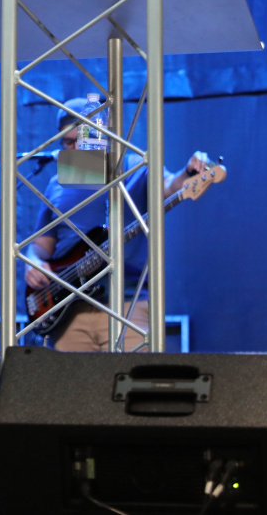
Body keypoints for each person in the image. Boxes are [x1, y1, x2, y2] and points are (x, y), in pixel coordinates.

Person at [22, 98, 209, 352]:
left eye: (81, 140)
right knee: (68, 379)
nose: (74, 148)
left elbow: (170, 187)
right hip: (68, 313)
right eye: (67, 142)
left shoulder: (134, 167)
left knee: (130, 377)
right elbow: (41, 245)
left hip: (127, 306)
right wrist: (32, 261)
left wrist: (188, 174)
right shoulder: (57, 183)